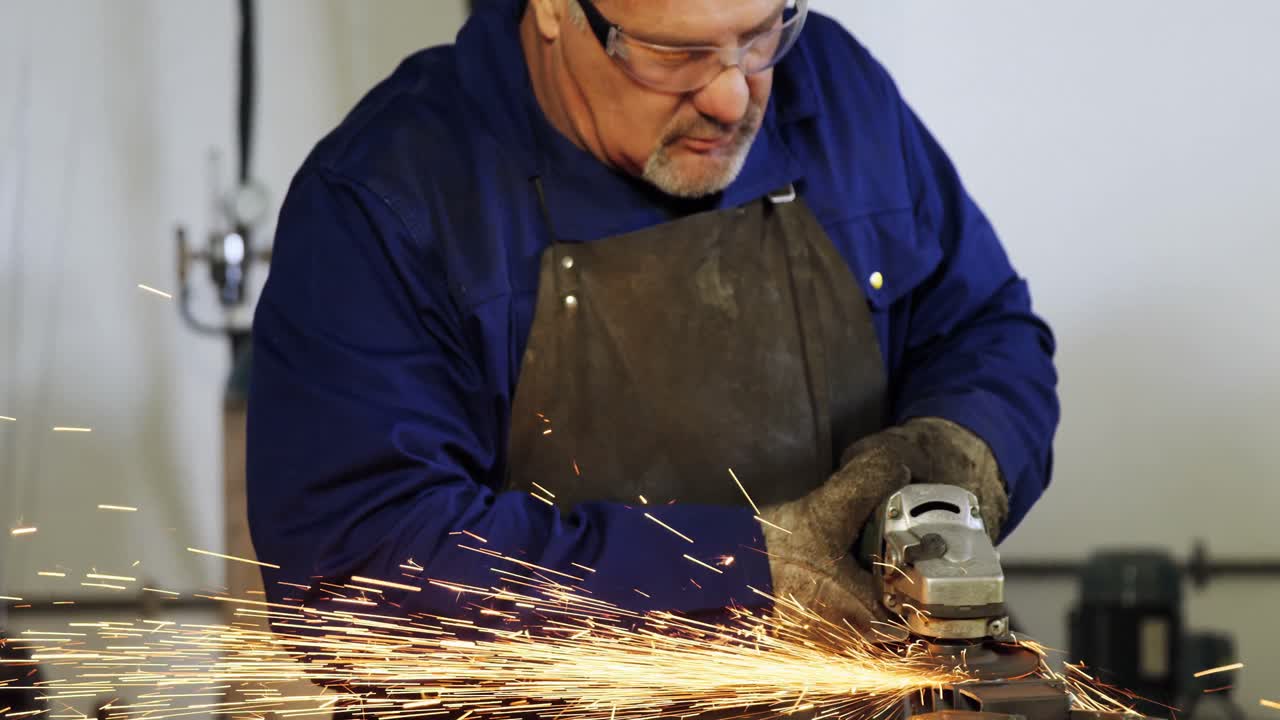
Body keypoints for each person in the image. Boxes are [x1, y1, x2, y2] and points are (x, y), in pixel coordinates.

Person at [247, 0, 1058, 629]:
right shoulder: (389, 200)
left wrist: (962, 448)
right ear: (557, 10)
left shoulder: (837, 93)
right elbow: (362, 564)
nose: (733, 93)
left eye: (761, 33)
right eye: (675, 53)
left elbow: (984, 326)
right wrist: (749, 574)